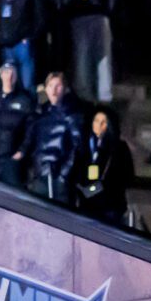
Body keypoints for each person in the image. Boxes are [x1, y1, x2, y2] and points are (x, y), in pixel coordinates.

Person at [63, 0, 118, 102]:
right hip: (79, 19)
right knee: (82, 56)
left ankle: (104, 95)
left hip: (100, 18)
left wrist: (107, 11)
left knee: (103, 55)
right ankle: (84, 93)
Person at [25, 72, 87, 204]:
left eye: (58, 86)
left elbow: (77, 147)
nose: (53, 90)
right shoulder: (40, 113)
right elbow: (32, 141)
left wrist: (64, 174)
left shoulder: (73, 114)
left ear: (65, 89)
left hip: (59, 177)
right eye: (50, 85)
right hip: (40, 175)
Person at [71, 107, 133, 225]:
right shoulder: (84, 145)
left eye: (103, 122)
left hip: (109, 204)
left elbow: (127, 176)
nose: (98, 125)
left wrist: (105, 185)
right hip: (87, 203)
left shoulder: (119, 147)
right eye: (96, 121)